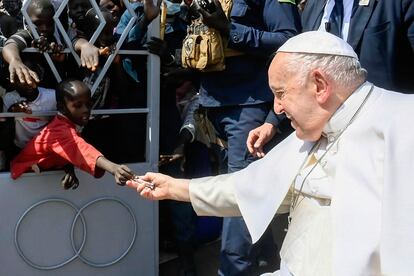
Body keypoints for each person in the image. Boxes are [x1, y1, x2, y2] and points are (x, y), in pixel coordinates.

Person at [126, 31, 414, 275]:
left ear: (320, 85)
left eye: (280, 93)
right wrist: (177, 188)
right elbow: (251, 187)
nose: (276, 109)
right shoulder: (317, 127)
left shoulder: (404, 123)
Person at [178, 0, 301, 274]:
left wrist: (228, 27)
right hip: (212, 102)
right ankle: (268, 257)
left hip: (248, 103)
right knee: (238, 186)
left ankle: (232, 269)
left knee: (240, 188)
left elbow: (289, 40)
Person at [247, 0, 414, 155]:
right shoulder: (314, 6)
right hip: (328, 144)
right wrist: (272, 123)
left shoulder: (397, 3)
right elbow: (300, 71)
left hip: (386, 137)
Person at [10, 79, 134, 189]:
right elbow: (80, 148)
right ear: (62, 108)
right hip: (23, 178)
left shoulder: (69, 122)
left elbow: (66, 151)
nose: (85, 109)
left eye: (88, 104)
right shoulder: (59, 129)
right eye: (78, 105)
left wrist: (68, 167)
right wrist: (113, 168)